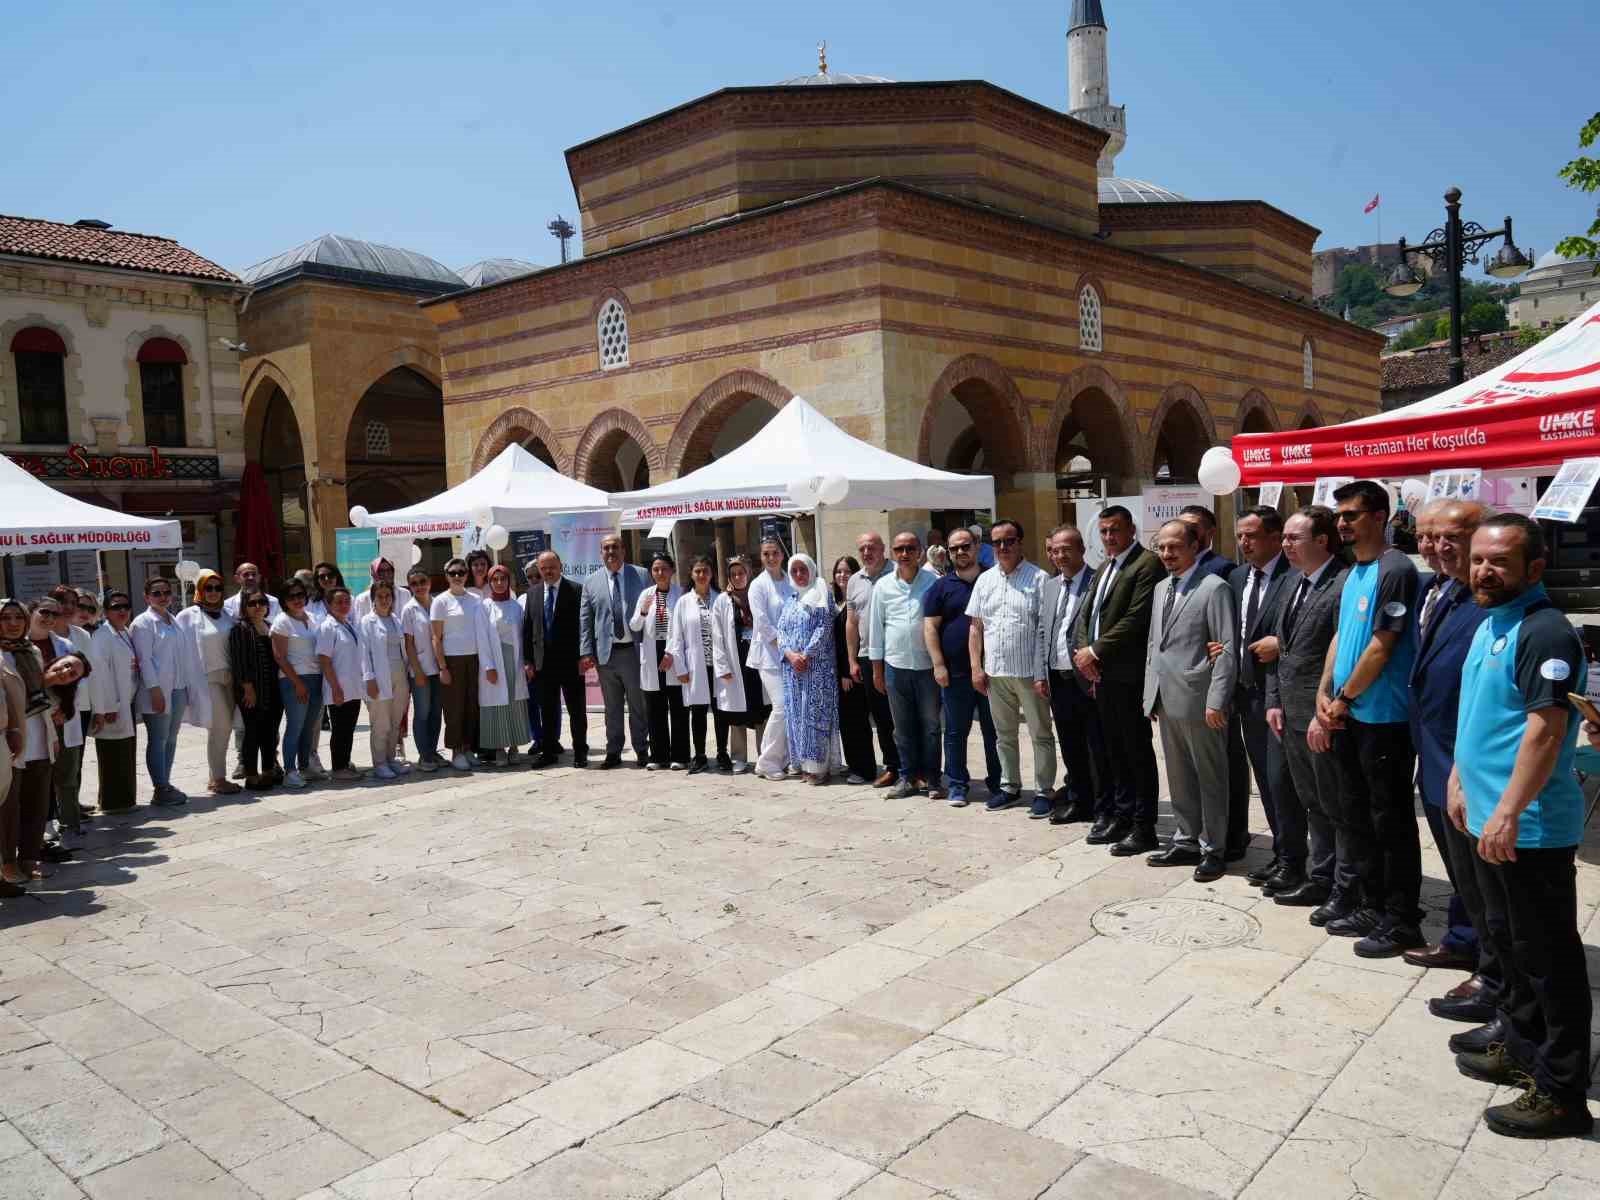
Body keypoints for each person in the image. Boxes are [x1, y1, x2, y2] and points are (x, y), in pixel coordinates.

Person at [1448, 514, 1593, 1140]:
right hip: (1486, 818)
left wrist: (1507, 809)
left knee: (1548, 958)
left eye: (1500, 561)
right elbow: (1482, 713)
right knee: (1507, 942)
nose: (1484, 569)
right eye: (1479, 558)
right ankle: (1523, 1047)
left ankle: (1561, 1091)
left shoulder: (1546, 632)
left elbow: (1546, 729)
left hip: (1527, 827)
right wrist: (1458, 775)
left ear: (1535, 568)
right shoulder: (1492, 622)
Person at [1316, 479, 1423, 958]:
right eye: (1340, 515)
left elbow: (1383, 645)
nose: (1342, 522)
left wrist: (1343, 699)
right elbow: (1342, 637)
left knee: (1390, 820)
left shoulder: (1395, 569)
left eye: (1352, 514)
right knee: (1355, 814)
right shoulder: (1353, 570)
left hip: (1382, 719)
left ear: (1379, 516)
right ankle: (1369, 902)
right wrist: (1325, 692)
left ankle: (1401, 919)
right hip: (1347, 712)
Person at [1406, 502, 1498, 1022]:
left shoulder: (1488, 599)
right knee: (1458, 865)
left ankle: (1491, 970)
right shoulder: (1439, 589)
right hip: (1434, 750)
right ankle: (1464, 939)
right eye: (1425, 535)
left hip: (1466, 758)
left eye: (1448, 536)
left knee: (1481, 874)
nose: (1435, 546)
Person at [1263, 507, 1348, 914]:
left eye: (1294, 538)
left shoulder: (1343, 584)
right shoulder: (1292, 583)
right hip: (1289, 712)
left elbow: (1339, 655)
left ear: (1322, 541)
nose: (1285, 545)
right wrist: (1274, 700)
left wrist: (1323, 710)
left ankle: (1340, 884)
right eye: (1284, 538)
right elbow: (1282, 648)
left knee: (1333, 804)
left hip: (1321, 717)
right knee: (1309, 800)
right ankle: (1320, 875)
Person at [1142, 519, 1238, 881]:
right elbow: (1156, 645)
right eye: (1162, 547)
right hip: (1167, 699)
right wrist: (1150, 694)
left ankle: (1214, 848)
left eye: (1174, 547)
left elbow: (1226, 648)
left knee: (1210, 777)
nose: (1167, 554)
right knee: (1179, 775)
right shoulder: (1160, 588)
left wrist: (1217, 700)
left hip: (1201, 701)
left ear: (1195, 546)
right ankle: (1185, 840)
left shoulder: (1214, 589)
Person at [1073, 506, 1163, 852]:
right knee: (1113, 752)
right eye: (1105, 531)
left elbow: (1135, 617)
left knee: (1136, 750)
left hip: (1127, 675)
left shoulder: (1146, 564)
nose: (1109, 537)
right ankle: (1121, 817)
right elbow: (1086, 614)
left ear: (1132, 530)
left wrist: (1094, 651)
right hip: (1101, 675)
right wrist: (1084, 653)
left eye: (1115, 530)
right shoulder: (1104, 568)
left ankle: (1144, 825)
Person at [966, 518, 1055, 816]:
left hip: (1029, 674)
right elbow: (976, 628)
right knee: (1004, 735)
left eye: (1009, 541)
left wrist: (1042, 672)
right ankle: (1009, 787)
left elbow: (1045, 629)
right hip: (996, 672)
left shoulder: (1039, 579)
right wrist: (976, 668)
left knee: (1040, 734)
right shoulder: (984, 580)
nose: (1003, 547)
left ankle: (1044, 790)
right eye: (997, 542)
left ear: (1020, 542)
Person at [1227, 507, 1293, 874]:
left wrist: (1281, 643)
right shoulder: (1238, 578)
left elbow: (1313, 626)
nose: (1244, 543)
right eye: (1240, 536)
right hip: (1246, 693)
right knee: (1266, 779)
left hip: (1280, 696)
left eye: (1251, 536)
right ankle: (1282, 854)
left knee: (1284, 781)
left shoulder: (1294, 576)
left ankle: (1293, 856)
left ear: (1274, 537)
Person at [2, 619, 87, 888]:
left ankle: (29, 859)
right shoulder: (13, 658)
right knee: (8, 808)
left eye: (72, 672)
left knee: (36, 807)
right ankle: (8, 863)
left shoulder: (58, 694)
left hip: (40, 747)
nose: (65, 671)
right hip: (13, 746)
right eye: (66, 665)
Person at [923, 529, 1001, 808]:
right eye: (953, 548)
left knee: (995, 732)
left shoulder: (994, 579)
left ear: (977, 546)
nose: (959, 552)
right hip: (954, 674)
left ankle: (999, 783)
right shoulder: (941, 587)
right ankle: (957, 785)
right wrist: (938, 664)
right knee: (955, 732)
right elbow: (930, 626)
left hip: (993, 672)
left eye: (965, 546)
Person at [1039, 525, 1104, 823]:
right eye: (1054, 551)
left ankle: (1104, 804)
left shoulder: (1098, 581)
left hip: (1087, 679)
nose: (1060, 556)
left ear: (1081, 550)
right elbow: (1044, 631)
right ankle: (1079, 801)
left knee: (1096, 745)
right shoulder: (1050, 586)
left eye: (1066, 549)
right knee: (1070, 744)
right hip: (1058, 678)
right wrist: (1041, 673)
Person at [869, 530, 941, 799]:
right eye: (899, 549)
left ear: (920, 551)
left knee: (931, 726)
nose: (905, 554)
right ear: (892, 553)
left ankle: (932, 778)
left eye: (910, 548)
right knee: (902, 727)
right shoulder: (883, 587)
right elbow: (876, 629)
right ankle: (907, 776)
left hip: (926, 667)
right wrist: (877, 669)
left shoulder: (934, 582)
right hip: (895, 666)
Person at [580, 534, 650, 770]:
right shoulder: (591, 582)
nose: (611, 552)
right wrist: (586, 651)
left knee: (638, 704)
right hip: (605, 655)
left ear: (623, 551)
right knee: (612, 707)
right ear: (601, 553)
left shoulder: (641, 575)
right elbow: (585, 619)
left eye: (615, 547)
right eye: (606, 548)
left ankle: (642, 750)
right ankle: (613, 751)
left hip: (633, 651)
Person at [176, 570, 241, 797]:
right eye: (208, 588)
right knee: (220, 726)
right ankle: (218, 778)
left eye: (217, 588)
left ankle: (218, 776)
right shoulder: (187, 616)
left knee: (228, 726)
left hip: (230, 677)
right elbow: (181, 651)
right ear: (199, 590)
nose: (213, 593)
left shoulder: (227, 614)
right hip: (207, 678)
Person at [521, 550, 587, 768]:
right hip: (543, 664)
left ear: (561, 567)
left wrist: (584, 656)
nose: (548, 571)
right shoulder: (533, 593)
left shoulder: (576, 590)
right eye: (543, 568)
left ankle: (580, 752)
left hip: (570, 662)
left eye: (552, 567)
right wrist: (528, 661)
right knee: (547, 711)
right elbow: (528, 629)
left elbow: (584, 627)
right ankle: (548, 752)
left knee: (576, 710)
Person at [778, 554, 838, 784]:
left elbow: (824, 628)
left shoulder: (822, 595)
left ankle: (818, 767)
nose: (800, 575)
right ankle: (803, 764)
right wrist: (791, 655)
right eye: (794, 571)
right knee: (797, 717)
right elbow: (780, 631)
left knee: (814, 716)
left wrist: (805, 654)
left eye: (803, 570)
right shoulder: (791, 599)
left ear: (812, 570)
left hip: (816, 669)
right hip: (793, 670)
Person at [845, 531, 900, 787]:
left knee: (905, 716)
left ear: (883, 549)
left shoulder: (899, 573)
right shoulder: (855, 581)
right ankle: (893, 767)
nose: (867, 553)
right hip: (868, 657)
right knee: (881, 718)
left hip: (899, 656)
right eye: (862, 549)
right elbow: (851, 622)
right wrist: (852, 660)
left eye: (872, 548)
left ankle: (917, 768)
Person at [131, 575, 190, 806]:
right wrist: (155, 690)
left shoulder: (172, 620)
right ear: (146, 597)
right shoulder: (143, 623)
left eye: (166, 592)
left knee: (171, 739)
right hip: (157, 690)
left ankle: (165, 783)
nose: (163, 597)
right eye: (157, 593)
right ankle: (160, 786)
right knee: (158, 739)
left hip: (177, 688)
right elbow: (144, 660)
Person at [431, 558, 492, 772]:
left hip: (474, 658)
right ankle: (456, 750)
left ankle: (468, 748)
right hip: (453, 660)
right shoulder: (440, 601)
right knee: (454, 708)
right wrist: (442, 667)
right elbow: (436, 638)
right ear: (446, 575)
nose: (457, 576)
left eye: (461, 572)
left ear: (467, 575)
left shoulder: (476, 598)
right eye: (453, 573)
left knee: (471, 706)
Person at [46, 584, 95, 835]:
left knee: (71, 763)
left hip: (76, 707)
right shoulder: (39, 637)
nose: (67, 608)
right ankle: (49, 818)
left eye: (72, 603)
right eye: (61, 602)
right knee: (46, 768)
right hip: (44, 713)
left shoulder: (78, 637)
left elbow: (88, 673)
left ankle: (70, 812)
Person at [671, 556, 727, 773]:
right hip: (696, 667)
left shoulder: (720, 599)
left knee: (721, 711)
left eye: (705, 571)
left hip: (719, 666)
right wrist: (681, 668)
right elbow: (676, 638)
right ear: (691, 575)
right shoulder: (684, 602)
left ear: (712, 574)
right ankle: (700, 755)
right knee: (698, 711)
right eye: (698, 571)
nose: (702, 575)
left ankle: (722, 753)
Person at [633, 553, 688, 771]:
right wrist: (644, 611)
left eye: (664, 568)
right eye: (655, 569)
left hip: (673, 652)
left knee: (678, 707)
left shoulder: (681, 594)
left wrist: (672, 652)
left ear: (672, 570)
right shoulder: (646, 594)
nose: (660, 573)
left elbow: (683, 628)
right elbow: (635, 625)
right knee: (655, 708)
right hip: (651, 654)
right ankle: (658, 756)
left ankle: (681, 755)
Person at [713, 555, 766, 773]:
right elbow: (717, 636)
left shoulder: (757, 595)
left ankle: (765, 755)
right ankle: (739, 757)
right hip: (735, 662)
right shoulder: (722, 601)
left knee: (762, 708)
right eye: (733, 574)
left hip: (758, 660)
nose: (738, 577)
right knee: (736, 712)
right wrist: (722, 666)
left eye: (741, 573)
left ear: (749, 573)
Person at [88, 589, 140, 812]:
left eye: (125, 606)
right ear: (106, 611)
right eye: (115, 607)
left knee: (126, 752)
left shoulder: (124, 632)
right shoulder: (102, 636)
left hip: (126, 702)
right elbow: (100, 674)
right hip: (113, 704)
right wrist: (108, 706)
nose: (122, 611)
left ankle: (126, 800)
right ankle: (112, 802)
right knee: (112, 754)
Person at [750, 538, 797, 781]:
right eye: (766, 554)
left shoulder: (790, 580)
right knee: (781, 707)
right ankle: (767, 761)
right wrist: (786, 649)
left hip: (792, 656)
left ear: (782, 554)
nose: (771, 557)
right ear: (762, 557)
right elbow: (764, 625)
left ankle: (783, 758)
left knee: (790, 708)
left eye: (775, 553)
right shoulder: (757, 586)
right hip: (769, 656)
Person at [270, 581, 324, 789]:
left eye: (300, 594)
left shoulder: (311, 618)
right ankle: (290, 771)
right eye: (291, 596)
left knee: (309, 727)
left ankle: (305, 766)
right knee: (295, 726)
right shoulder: (282, 622)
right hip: (294, 680)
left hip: (316, 677)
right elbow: (280, 657)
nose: (297, 599)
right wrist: (298, 683)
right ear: (284, 600)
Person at [228, 587, 282, 790]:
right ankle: (251, 774)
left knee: (270, 731)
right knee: (252, 732)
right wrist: (248, 689)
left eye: (261, 602)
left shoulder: (269, 626)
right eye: (252, 603)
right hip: (252, 689)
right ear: (244, 607)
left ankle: (268, 770)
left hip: (272, 688)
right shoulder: (240, 629)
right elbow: (239, 662)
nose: (257, 606)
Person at [358, 580, 412, 780]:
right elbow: (363, 653)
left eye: (387, 596)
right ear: (373, 598)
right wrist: (369, 678)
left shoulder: (396, 620)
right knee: (381, 723)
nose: (384, 600)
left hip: (399, 674)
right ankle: (379, 762)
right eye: (379, 596)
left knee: (395, 721)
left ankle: (390, 759)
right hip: (379, 676)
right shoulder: (366, 622)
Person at [478, 564, 529, 768]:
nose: (499, 583)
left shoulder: (516, 606)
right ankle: (499, 748)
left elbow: (523, 636)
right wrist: (488, 666)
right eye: (495, 580)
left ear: (509, 581)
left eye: (503, 579)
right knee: (497, 704)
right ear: (490, 583)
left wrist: (525, 663)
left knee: (514, 703)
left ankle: (515, 746)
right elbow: (482, 638)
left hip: (514, 661)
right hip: (494, 662)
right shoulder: (484, 607)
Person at [315, 587, 365, 781]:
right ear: (328, 604)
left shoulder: (348, 624)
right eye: (339, 602)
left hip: (352, 686)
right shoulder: (327, 627)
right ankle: (338, 767)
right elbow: (324, 660)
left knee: (349, 727)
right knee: (340, 728)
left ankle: (345, 762)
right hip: (339, 687)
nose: (344, 605)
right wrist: (335, 688)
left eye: (346, 601)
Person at [831, 556, 873, 784]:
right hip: (839, 672)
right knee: (846, 722)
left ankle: (864, 768)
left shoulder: (855, 602)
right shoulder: (836, 601)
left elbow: (854, 640)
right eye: (838, 571)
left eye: (847, 571)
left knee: (857, 721)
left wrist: (847, 672)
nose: (842, 576)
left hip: (853, 672)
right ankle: (854, 763)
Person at [401, 567, 443, 772]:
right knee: (423, 713)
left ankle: (433, 751)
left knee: (436, 713)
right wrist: (417, 671)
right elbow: (408, 644)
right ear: (409, 586)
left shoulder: (437, 603)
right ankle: (424, 755)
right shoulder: (409, 609)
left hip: (438, 668)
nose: (419, 586)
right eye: (414, 583)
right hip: (420, 670)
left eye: (422, 581)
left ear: (429, 582)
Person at [1178, 504, 1235, 579]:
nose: (1184, 532)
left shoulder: (1224, 568)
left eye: (1192, 527)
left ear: (1211, 532)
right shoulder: (1172, 565)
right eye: (1179, 527)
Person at [354, 556, 411, 622]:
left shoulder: (405, 593)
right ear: (373, 573)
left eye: (389, 570)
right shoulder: (362, 599)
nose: (386, 574)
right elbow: (359, 625)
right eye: (381, 571)